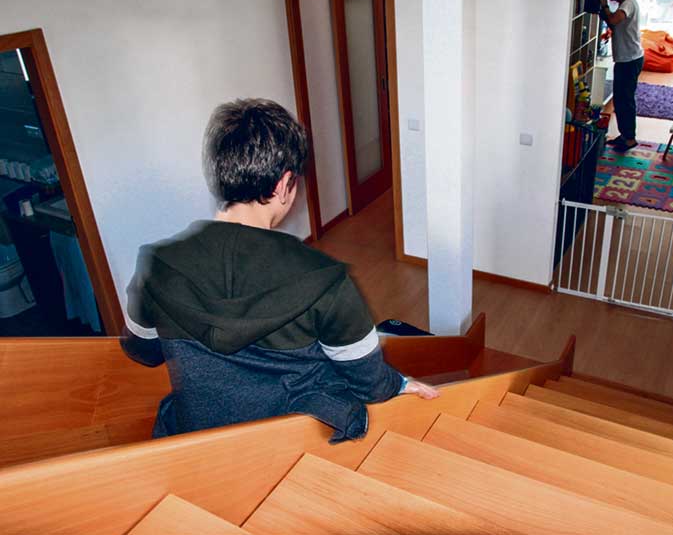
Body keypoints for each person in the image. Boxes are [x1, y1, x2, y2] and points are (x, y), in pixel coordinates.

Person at [121, 98, 438, 444]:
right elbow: (368, 381)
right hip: (293, 439)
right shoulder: (324, 278)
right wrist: (400, 384)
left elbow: (143, 351)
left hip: (198, 436)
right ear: (284, 184)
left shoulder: (156, 263)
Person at [600, 0, 645, 152]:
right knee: (620, 100)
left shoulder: (629, 4)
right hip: (626, 59)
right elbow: (614, 24)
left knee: (625, 100)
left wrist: (604, 6)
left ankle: (630, 138)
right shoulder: (625, 4)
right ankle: (625, 135)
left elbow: (613, 19)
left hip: (630, 60)